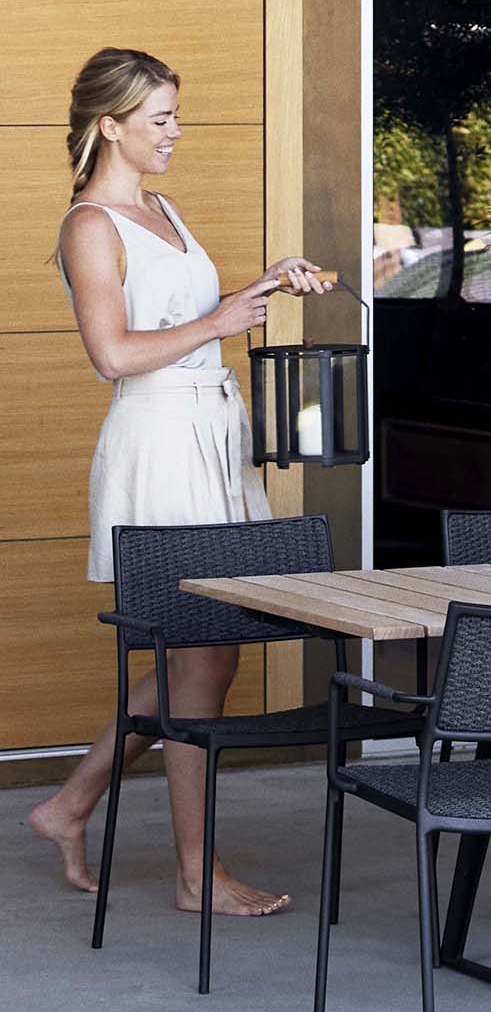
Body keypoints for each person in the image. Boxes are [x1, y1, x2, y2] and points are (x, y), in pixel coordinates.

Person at [27, 48, 327, 917]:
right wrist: (221, 319)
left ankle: (70, 804)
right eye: (159, 119)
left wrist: (261, 286)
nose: (175, 133)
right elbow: (113, 354)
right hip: (158, 443)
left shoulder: (162, 209)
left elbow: (188, 324)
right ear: (108, 125)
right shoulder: (90, 225)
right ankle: (200, 876)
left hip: (212, 435)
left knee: (203, 655)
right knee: (203, 657)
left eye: (175, 115)